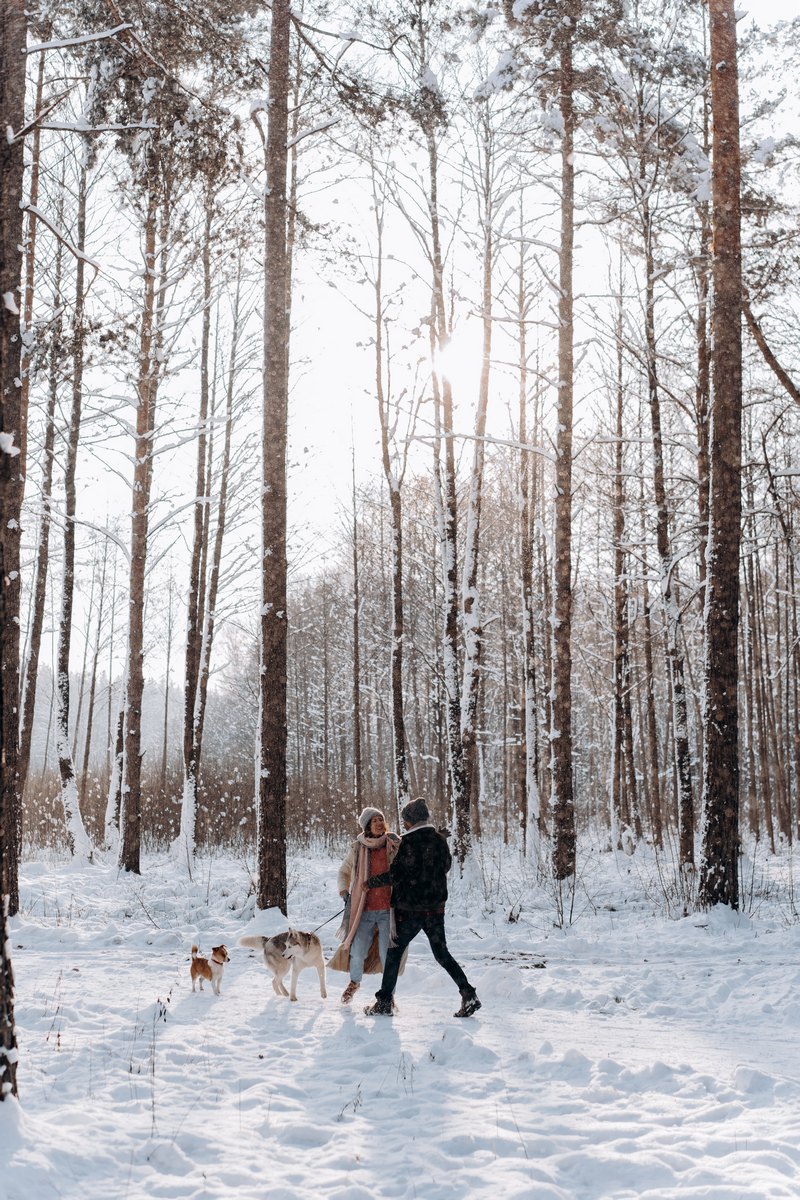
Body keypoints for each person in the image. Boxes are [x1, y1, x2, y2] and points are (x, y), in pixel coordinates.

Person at [363, 797, 481, 1019]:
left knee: (394, 953)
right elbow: (445, 866)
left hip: (410, 910)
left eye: (405, 820)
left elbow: (397, 875)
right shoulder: (439, 840)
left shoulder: (409, 843)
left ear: (411, 820)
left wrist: (371, 883)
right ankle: (468, 994)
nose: (404, 825)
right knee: (441, 953)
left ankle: (384, 1002)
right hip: (435, 909)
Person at [328, 807, 400, 1004]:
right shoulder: (358, 848)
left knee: (388, 955)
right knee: (357, 952)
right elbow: (343, 872)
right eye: (374, 820)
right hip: (364, 909)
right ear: (367, 825)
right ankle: (354, 982)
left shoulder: (393, 844)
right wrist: (344, 891)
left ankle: (388, 995)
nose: (379, 823)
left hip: (388, 909)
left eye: (381, 819)